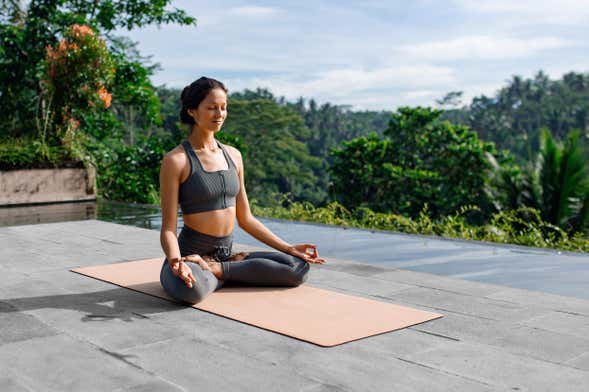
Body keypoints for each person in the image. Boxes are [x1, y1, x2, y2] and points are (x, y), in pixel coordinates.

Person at [159, 76, 326, 305]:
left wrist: (288, 247)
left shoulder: (234, 156)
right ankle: (225, 272)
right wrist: (176, 261)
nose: (219, 114)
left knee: (298, 267)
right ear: (192, 111)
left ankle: (220, 270)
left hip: (226, 254)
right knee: (192, 290)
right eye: (211, 108)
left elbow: (246, 218)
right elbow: (168, 228)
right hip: (189, 257)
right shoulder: (176, 160)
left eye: (223, 108)